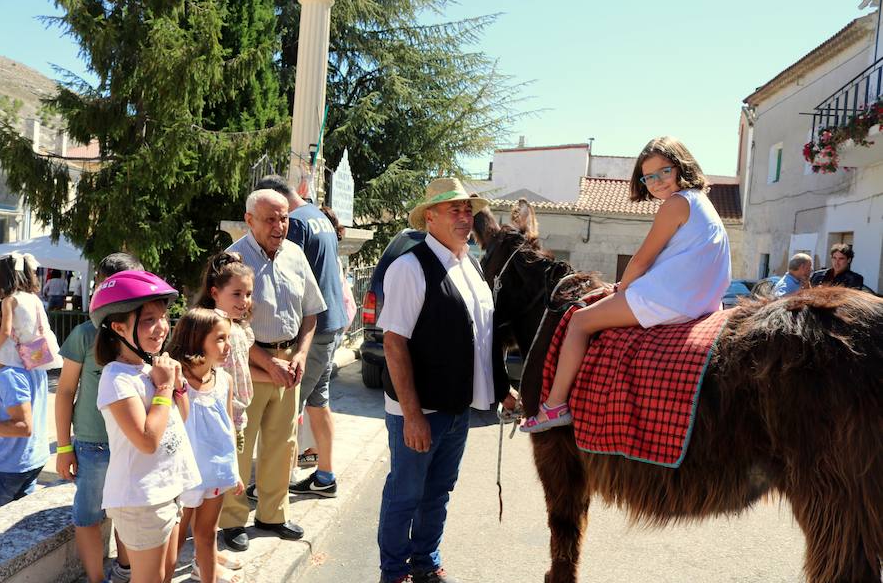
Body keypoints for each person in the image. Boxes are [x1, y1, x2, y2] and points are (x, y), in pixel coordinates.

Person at [521, 136, 731, 433]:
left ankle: (554, 406)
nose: (657, 182)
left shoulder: (676, 204)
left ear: (681, 166)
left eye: (664, 171)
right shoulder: (702, 202)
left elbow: (642, 260)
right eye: (649, 177)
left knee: (580, 322)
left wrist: (621, 288)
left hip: (671, 298)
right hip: (704, 300)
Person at [376, 177, 515, 583]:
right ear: (430, 217)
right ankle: (393, 571)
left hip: (456, 408)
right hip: (420, 410)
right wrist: (412, 415)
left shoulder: (469, 265)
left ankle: (425, 563)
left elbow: (482, 335)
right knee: (405, 494)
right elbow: (394, 344)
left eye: (467, 209)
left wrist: (501, 388)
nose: (463, 216)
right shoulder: (409, 266)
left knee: (438, 492)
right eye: (453, 209)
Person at [219, 189, 325, 552]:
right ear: (249, 220)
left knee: (283, 446)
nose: (280, 226)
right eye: (271, 219)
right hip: (246, 364)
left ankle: (273, 515)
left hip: (289, 363)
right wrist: (267, 362)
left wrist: (301, 355)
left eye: (284, 219)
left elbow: (311, 312)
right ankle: (231, 521)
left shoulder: (295, 255)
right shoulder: (232, 261)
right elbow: (226, 324)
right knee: (240, 445)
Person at [92, 270, 201, 583]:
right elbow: (147, 440)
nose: (161, 327)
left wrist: (176, 386)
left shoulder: (148, 367)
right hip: (140, 499)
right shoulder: (116, 378)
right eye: (148, 320)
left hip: (165, 490)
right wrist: (165, 389)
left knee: (164, 574)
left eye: (164, 317)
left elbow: (179, 418)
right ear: (118, 327)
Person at [254, 175, 348, 499]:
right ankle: (325, 476)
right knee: (318, 402)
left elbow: (286, 275)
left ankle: (274, 483)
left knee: (286, 407)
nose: (277, 222)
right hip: (332, 323)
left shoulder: (296, 224)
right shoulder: (319, 216)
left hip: (314, 329)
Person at [55, 252, 142, 583]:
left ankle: (125, 569)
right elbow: (65, 392)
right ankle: (97, 579)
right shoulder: (84, 335)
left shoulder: (145, 333)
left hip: (132, 443)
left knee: (128, 514)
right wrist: (64, 448)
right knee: (89, 515)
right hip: (94, 445)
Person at [168, 308, 244, 583]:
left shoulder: (224, 380)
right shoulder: (174, 380)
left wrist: (233, 469)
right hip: (183, 477)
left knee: (207, 534)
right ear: (197, 338)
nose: (228, 345)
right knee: (173, 546)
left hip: (215, 472)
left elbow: (227, 429)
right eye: (220, 338)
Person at [0, 302, 50, 514]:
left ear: (7, 330)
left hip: (5, 468)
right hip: (31, 460)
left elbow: (22, 426)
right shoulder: (33, 359)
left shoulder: (8, 374)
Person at [194, 252, 261, 455]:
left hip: (237, 415)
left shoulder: (239, 327)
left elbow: (240, 369)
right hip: (216, 415)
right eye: (237, 293)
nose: (244, 300)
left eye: (248, 294)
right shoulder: (212, 328)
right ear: (214, 293)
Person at [0, 253, 63, 381]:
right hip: (36, 351)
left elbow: (5, 332)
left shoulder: (9, 300)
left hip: (15, 352)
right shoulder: (33, 298)